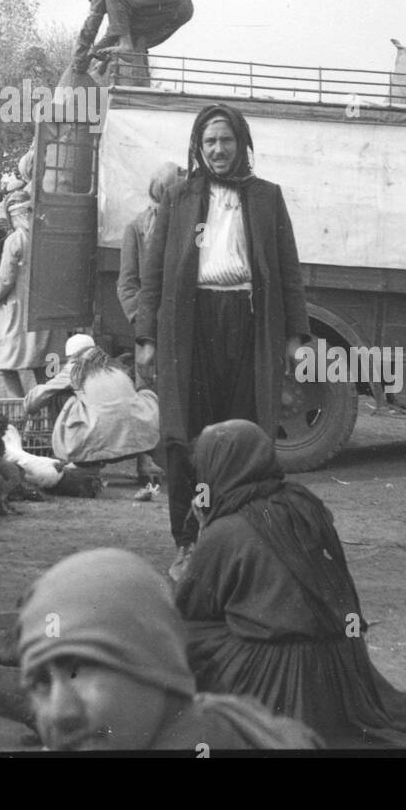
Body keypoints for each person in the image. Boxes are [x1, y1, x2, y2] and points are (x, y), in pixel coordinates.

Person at [176, 422, 406, 749]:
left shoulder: (225, 531)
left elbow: (190, 605)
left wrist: (204, 534)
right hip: (342, 662)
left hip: (275, 672)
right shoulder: (304, 503)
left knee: (178, 633)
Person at [135, 103, 311, 582]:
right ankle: (188, 543)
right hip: (191, 325)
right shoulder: (178, 197)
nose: (218, 149)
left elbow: (288, 270)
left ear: (242, 144)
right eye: (210, 141)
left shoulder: (267, 198)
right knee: (185, 436)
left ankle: (242, 540)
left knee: (246, 434)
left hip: (250, 323)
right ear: (197, 146)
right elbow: (153, 273)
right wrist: (146, 336)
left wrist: (295, 336)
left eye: (226, 140)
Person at [17, 548, 319, 751]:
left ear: (154, 659)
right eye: (40, 682)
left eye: (79, 669)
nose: (60, 711)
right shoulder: (211, 721)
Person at [24, 333, 160, 478]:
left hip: (99, 443)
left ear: (71, 356)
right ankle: (146, 461)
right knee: (142, 396)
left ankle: (86, 464)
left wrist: (27, 405)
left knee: (59, 396)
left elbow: (33, 402)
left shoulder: (75, 368)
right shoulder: (116, 365)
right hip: (138, 443)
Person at [0, 190, 53, 399]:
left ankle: (19, 409)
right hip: (43, 313)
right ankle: (46, 411)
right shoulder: (47, 235)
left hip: (15, 313)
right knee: (44, 364)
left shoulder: (15, 239)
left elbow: (4, 281)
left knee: (4, 363)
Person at [70, 0, 193, 77]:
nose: (91, 0)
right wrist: (96, 52)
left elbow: (92, 21)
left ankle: (126, 47)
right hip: (182, 3)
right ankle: (133, 56)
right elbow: (118, 28)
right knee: (132, 29)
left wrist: (79, 57)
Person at [116, 162, 182, 328]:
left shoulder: (190, 225)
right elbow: (126, 284)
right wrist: (141, 319)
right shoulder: (136, 228)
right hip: (152, 321)